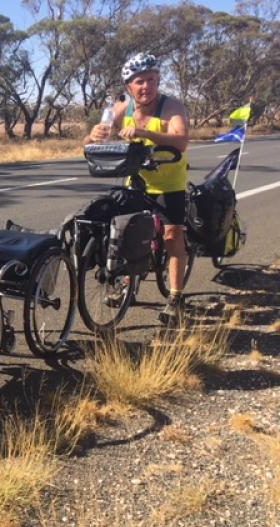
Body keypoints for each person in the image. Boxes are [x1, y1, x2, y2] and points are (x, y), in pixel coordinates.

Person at [84, 52, 191, 325]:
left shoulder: (171, 106)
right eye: (140, 81)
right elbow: (95, 141)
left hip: (169, 184)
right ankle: (124, 282)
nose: (147, 87)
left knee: (172, 237)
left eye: (152, 80)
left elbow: (180, 141)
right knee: (124, 234)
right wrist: (93, 136)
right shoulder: (121, 108)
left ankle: (176, 298)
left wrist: (145, 134)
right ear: (129, 86)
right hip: (137, 182)